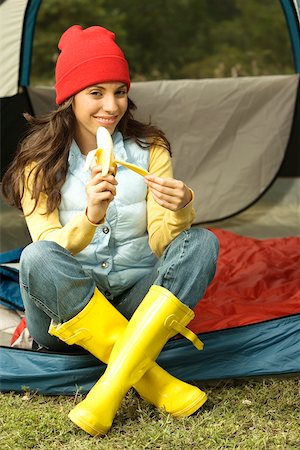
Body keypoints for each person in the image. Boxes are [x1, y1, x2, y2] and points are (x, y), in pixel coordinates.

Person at [1, 25, 219, 436]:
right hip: (65, 319)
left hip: (138, 303)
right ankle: (155, 380)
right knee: (35, 258)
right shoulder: (37, 164)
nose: (111, 105)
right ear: (69, 98)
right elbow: (47, 246)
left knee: (202, 242)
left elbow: (164, 241)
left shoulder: (150, 149)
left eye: (119, 91)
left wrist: (180, 207)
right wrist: (91, 216)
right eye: (96, 92)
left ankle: (110, 387)